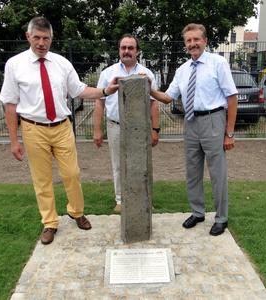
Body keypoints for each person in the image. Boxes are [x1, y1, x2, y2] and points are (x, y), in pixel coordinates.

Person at [0, 16, 118, 245]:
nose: (41, 43)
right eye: (37, 38)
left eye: (46, 38)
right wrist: (14, 141)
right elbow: (10, 104)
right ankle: (50, 223)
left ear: (51, 39)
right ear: (28, 37)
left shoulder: (62, 63)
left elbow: (79, 90)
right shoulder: (15, 65)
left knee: (72, 174)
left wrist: (105, 91)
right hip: (34, 129)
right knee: (42, 179)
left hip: (62, 127)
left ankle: (76, 211)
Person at [150, 23, 238, 236]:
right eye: (189, 41)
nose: (192, 44)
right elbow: (169, 97)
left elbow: (232, 97)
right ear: (185, 44)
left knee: (218, 173)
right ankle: (197, 212)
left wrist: (229, 132)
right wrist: (149, 89)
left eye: (196, 39)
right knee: (192, 172)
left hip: (213, 120)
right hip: (190, 123)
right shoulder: (182, 70)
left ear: (205, 41)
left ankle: (221, 218)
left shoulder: (218, 63)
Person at [92, 34, 160, 213]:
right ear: (119, 50)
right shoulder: (108, 73)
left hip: (140, 128)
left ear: (137, 51)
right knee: (118, 164)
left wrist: (155, 129)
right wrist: (97, 130)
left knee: (141, 163)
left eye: (131, 48)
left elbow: (154, 103)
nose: (127, 51)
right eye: (123, 48)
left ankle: (144, 199)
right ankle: (120, 200)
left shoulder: (147, 74)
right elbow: (99, 101)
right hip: (116, 126)